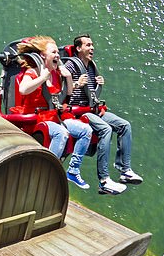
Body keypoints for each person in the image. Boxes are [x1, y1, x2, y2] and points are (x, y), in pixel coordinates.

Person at [65, 34, 143, 194]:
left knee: (124, 125)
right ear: (78, 48)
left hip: (92, 109)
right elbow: (61, 91)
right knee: (105, 129)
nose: (92, 48)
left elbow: (92, 95)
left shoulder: (91, 67)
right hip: (76, 112)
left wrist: (99, 86)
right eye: (88, 45)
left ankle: (125, 170)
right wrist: (77, 84)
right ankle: (104, 180)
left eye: (92, 45)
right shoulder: (70, 65)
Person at [17, 36, 92, 189]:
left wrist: (68, 76)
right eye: (53, 52)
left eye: (58, 52)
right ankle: (47, 173)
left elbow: (68, 92)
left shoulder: (56, 73)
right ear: (42, 55)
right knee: (61, 133)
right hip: (37, 117)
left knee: (86, 130)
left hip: (54, 116)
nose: (57, 55)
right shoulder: (33, 72)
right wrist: (42, 78)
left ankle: (73, 170)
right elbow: (23, 89)